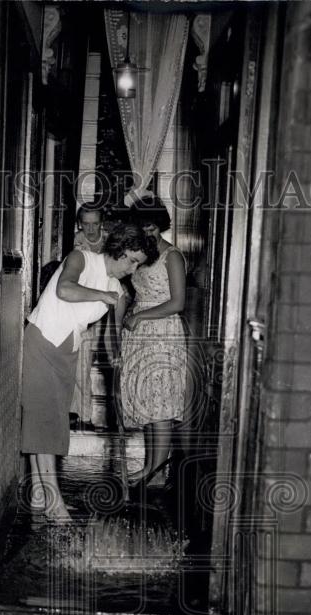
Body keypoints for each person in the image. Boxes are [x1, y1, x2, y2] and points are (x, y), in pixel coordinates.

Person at [20, 223, 153, 522]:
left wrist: (116, 356)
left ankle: (40, 494)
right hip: (43, 339)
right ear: (119, 249)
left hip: (68, 349)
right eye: (131, 260)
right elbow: (64, 289)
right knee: (46, 420)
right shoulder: (80, 258)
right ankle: (55, 504)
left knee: (50, 420)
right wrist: (101, 295)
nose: (132, 270)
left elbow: (111, 333)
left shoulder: (117, 289)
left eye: (138, 265)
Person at [117, 196, 188, 489]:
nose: (147, 232)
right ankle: (151, 467)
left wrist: (141, 315)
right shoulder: (143, 254)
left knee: (162, 404)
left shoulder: (172, 256)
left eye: (151, 226)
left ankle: (157, 471)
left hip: (163, 333)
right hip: (142, 332)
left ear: (159, 226)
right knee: (149, 402)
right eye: (142, 226)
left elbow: (178, 303)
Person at [71, 202, 109, 429]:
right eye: (86, 224)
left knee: (94, 358)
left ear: (101, 224)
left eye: (95, 224)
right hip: (82, 307)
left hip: (105, 308)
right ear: (80, 224)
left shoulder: (109, 242)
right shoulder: (77, 241)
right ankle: (82, 415)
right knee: (81, 361)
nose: (91, 229)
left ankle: (85, 414)